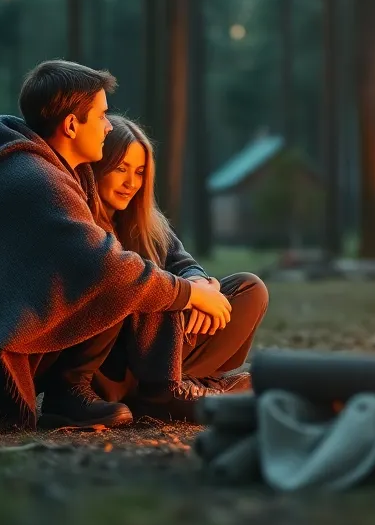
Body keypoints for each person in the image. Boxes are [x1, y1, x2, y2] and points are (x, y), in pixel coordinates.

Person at [0, 60, 233, 438]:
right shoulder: (37, 179)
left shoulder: (29, 162)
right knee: (118, 280)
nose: (108, 126)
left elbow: (152, 255)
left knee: (236, 291)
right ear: (71, 125)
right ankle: (95, 395)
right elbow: (107, 268)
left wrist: (196, 284)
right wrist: (188, 294)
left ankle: (165, 386)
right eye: (102, 116)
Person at [80, 116, 266, 421]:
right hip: (114, 363)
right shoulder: (83, 223)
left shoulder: (146, 222)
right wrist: (184, 294)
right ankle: (166, 392)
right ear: (99, 166)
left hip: (163, 348)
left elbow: (183, 262)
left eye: (139, 172)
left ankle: (177, 386)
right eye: (121, 169)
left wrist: (202, 285)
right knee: (150, 286)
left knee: (249, 288)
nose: (130, 182)